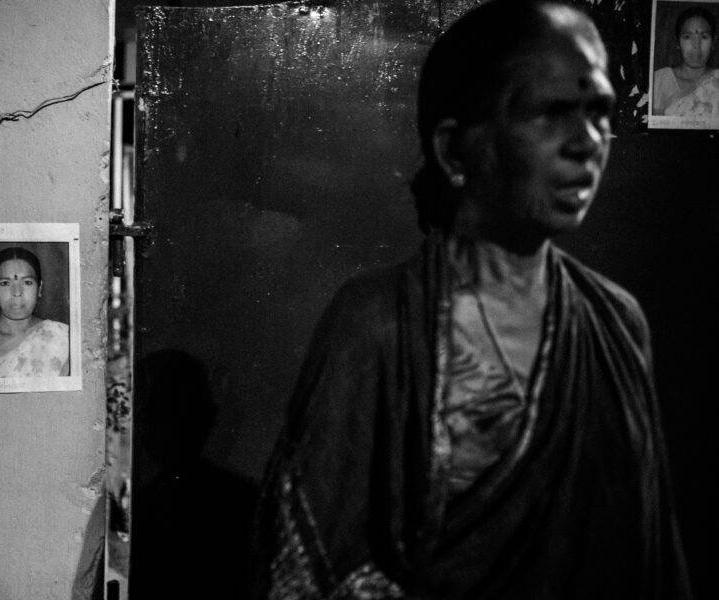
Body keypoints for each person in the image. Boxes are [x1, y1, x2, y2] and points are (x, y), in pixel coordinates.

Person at [251, 1, 691, 598]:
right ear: (456, 150)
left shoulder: (614, 322)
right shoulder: (377, 324)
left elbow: (652, 561)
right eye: (553, 113)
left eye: (599, 113)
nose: (588, 142)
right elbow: (302, 567)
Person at [0, 246, 70, 378]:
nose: (17, 292)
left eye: (27, 282)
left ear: (40, 288)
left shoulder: (63, 337)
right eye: (4, 283)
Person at [652, 6, 719, 117]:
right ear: (677, 42)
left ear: (713, 42)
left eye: (704, 37)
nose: (696, 45)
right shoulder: (660, 82)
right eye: (687, 37)